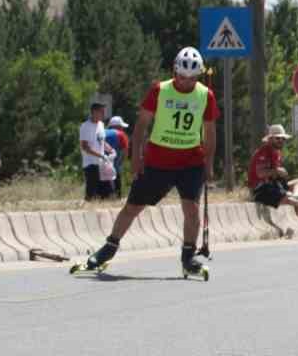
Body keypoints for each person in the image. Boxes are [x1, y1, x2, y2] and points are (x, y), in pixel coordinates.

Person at [79, 47, 218, 276]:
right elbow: (142, 125)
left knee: (191, 209)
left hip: (191, 159)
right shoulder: (159, 90)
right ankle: (109, 248)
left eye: (191, 78)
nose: (185, 82)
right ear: (175, 71)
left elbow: (210, 132)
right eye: (181, 77)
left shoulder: (205, 95)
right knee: (133, 206)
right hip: (159, 159)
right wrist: (136, 157)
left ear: (198, 76)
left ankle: (188, 257)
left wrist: (209, 163)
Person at [248, 124, 298, 238]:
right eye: (277, 138)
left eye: (283, 138)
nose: (281, 140)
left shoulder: (276, 153)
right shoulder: (263, 152)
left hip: (273, 185)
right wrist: (277, 171)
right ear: (270, 139)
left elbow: (275, 175)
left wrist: (279, 174)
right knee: (295, 201)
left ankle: (296, 199)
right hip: (261, 189)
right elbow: (260, 173)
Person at [79, 103, 109, 201]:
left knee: (104, 191)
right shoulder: (85, 126)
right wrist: (100, 155)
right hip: (90, 163)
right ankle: (85, 208)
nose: (104, 114)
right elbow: (84, 147)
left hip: (101, 162)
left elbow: (101, 141)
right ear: (94, 112)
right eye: (102, 112)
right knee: (91, 189)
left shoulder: (101, 124)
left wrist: (110, 149)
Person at [106, 114, 130, 197]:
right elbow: (125, 151)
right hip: (114, 165)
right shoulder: (121, 134)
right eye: (121, 127)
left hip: (100, 163)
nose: (122, 129)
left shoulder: (102, 132)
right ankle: (117, 197)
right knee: (116, 178)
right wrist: (122, 162)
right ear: (118, 126)